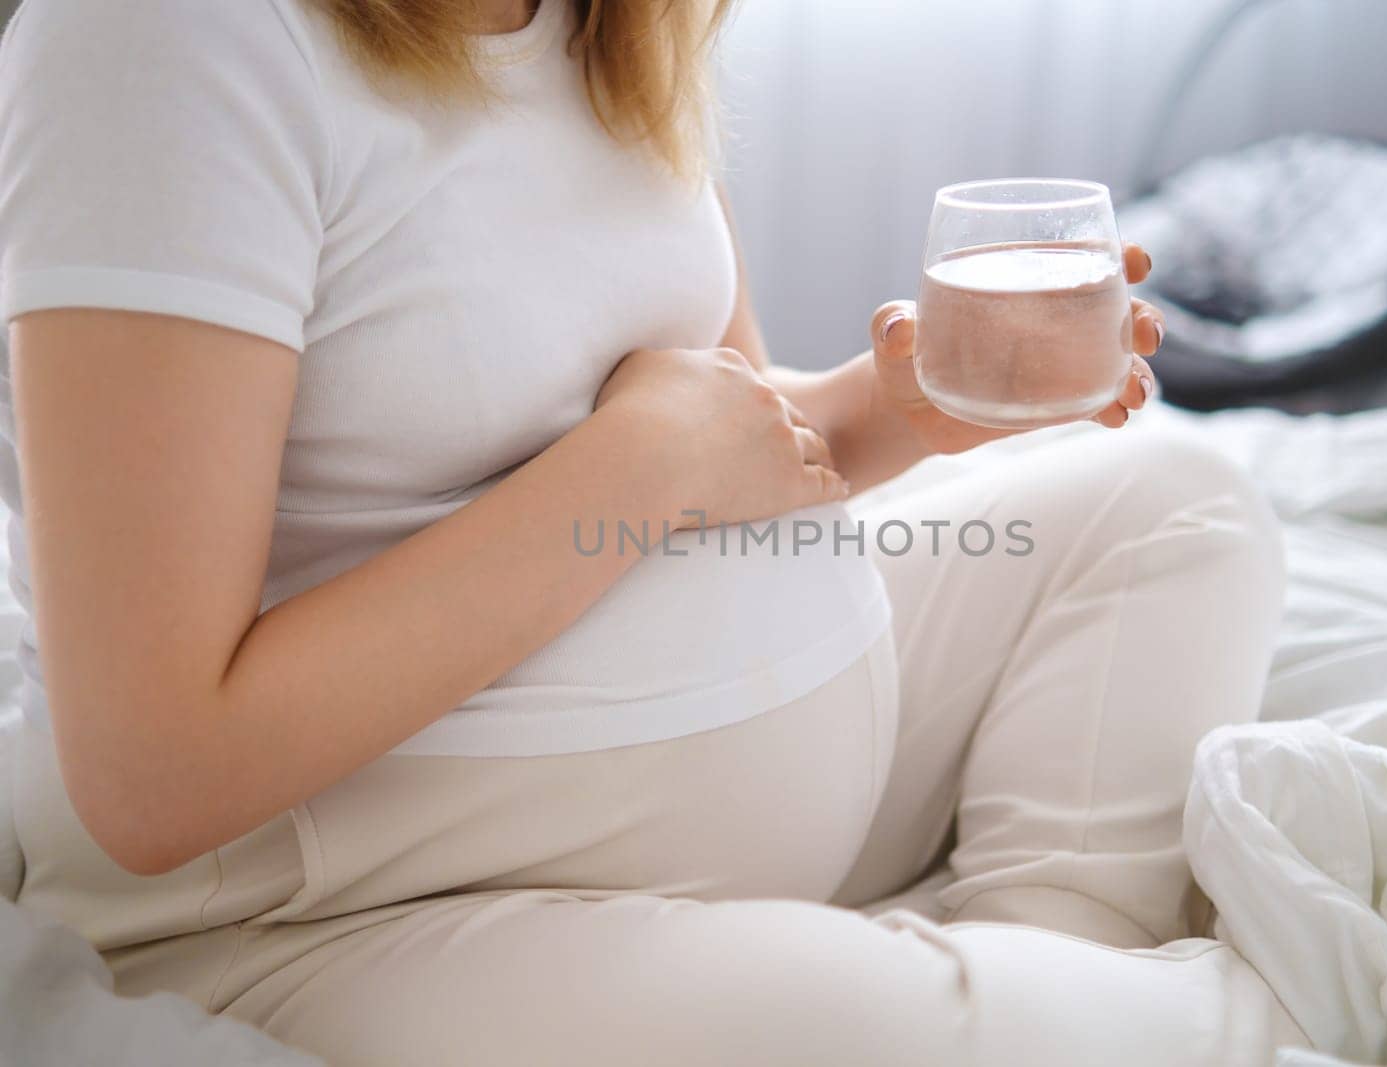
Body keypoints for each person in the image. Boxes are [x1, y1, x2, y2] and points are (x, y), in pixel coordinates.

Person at [0, 0, 1304, 1063]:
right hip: (352, 906)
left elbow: (725, 427)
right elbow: (154, 772)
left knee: (1178, 502)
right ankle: (1026, 1000)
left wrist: (906, 406)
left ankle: (1035, 965)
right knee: (1142, 1032)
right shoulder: (160, 40)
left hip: (740, 803)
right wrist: (638, 466)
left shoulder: (608, 27)